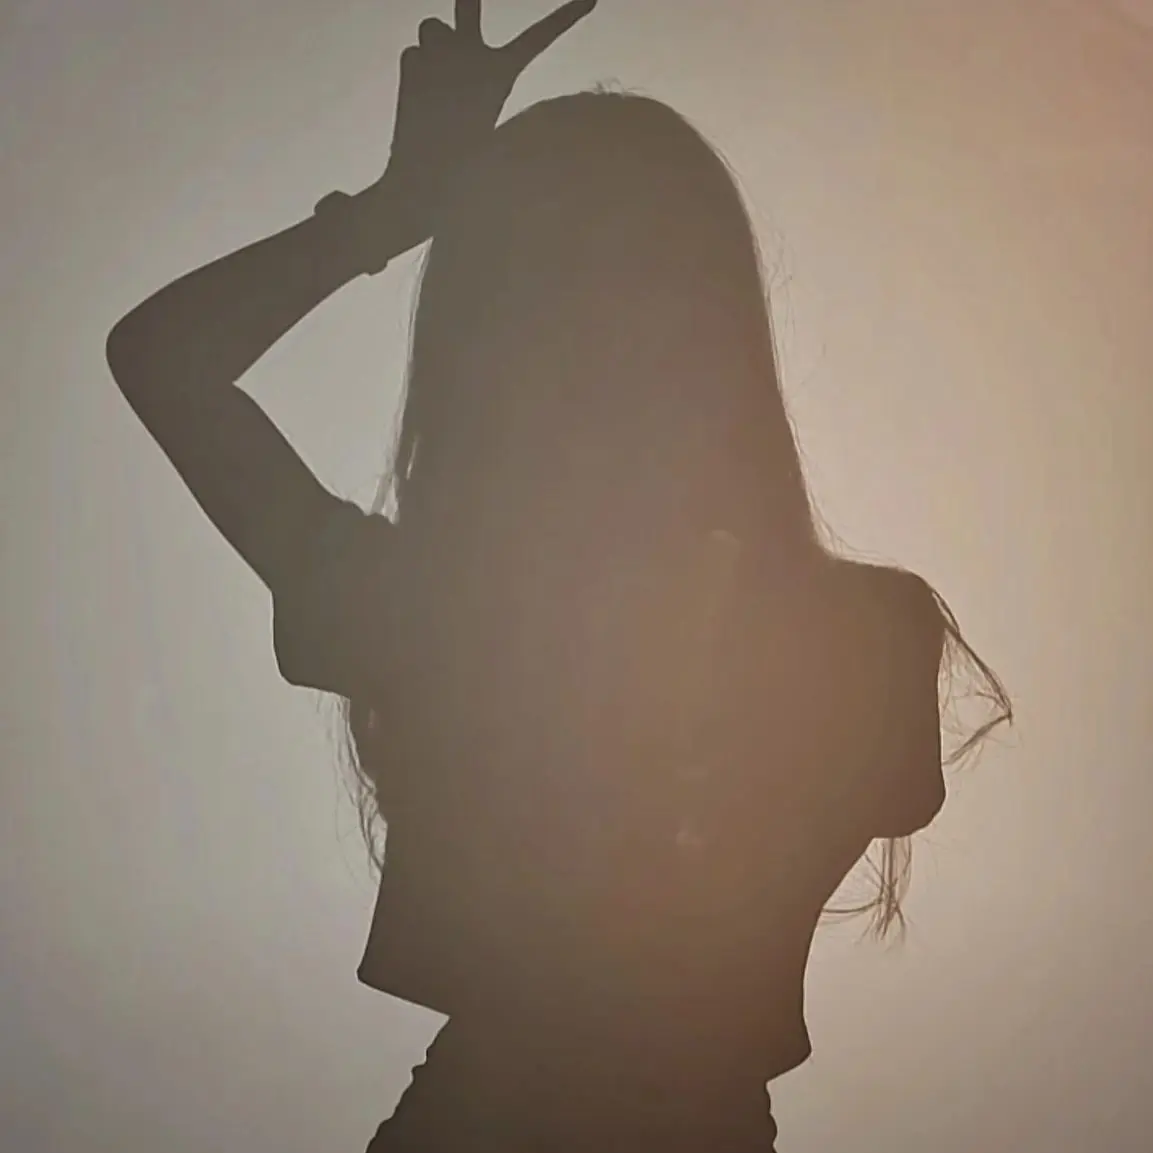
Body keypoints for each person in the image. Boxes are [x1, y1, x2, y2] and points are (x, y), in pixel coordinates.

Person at [105, 2, 1012, 1148]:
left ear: (482, 345)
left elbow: (166, 359)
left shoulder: (438, 613)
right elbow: (159, 361)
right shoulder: (859, 635)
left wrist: (396, 208)